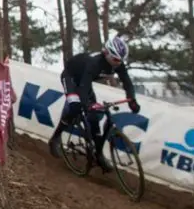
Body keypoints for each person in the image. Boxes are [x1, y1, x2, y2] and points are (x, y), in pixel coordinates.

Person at [47, 36, 141, 167]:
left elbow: (127, 81)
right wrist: (87, 105)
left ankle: (98, 154)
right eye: (115, 59)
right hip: (71, 77)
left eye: (121, 61)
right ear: (107, 53)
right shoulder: (94, 62)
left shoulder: (117, 63)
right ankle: (55, 138)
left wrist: (132, 100)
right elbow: (83, 86)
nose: (118, 63)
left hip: (84, 81)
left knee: (94, 116)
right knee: (75, 106)